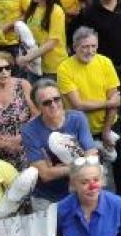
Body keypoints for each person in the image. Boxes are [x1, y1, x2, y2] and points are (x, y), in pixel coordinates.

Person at [22, 78, 99, 211]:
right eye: (46, 102)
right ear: (37, 106)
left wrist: (59, 168)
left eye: (56, 99)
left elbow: (92, 155)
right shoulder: (29, 131)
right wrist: (80, 162)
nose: (53, 104)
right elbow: (45, 175)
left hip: (81, 191)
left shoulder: (77, 118)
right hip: (47, 197)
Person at [57, 26, 121, 161]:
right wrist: (108, 103)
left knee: (119, 164)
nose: (90, 51)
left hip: (109, 124)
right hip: (80, 131)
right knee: (89, 168)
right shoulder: (64, 68)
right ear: (75, 47)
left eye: (94, 46)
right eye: (85, 47)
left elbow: (115, 102)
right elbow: (78, 105)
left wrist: (106, 131)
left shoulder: (105, 62)